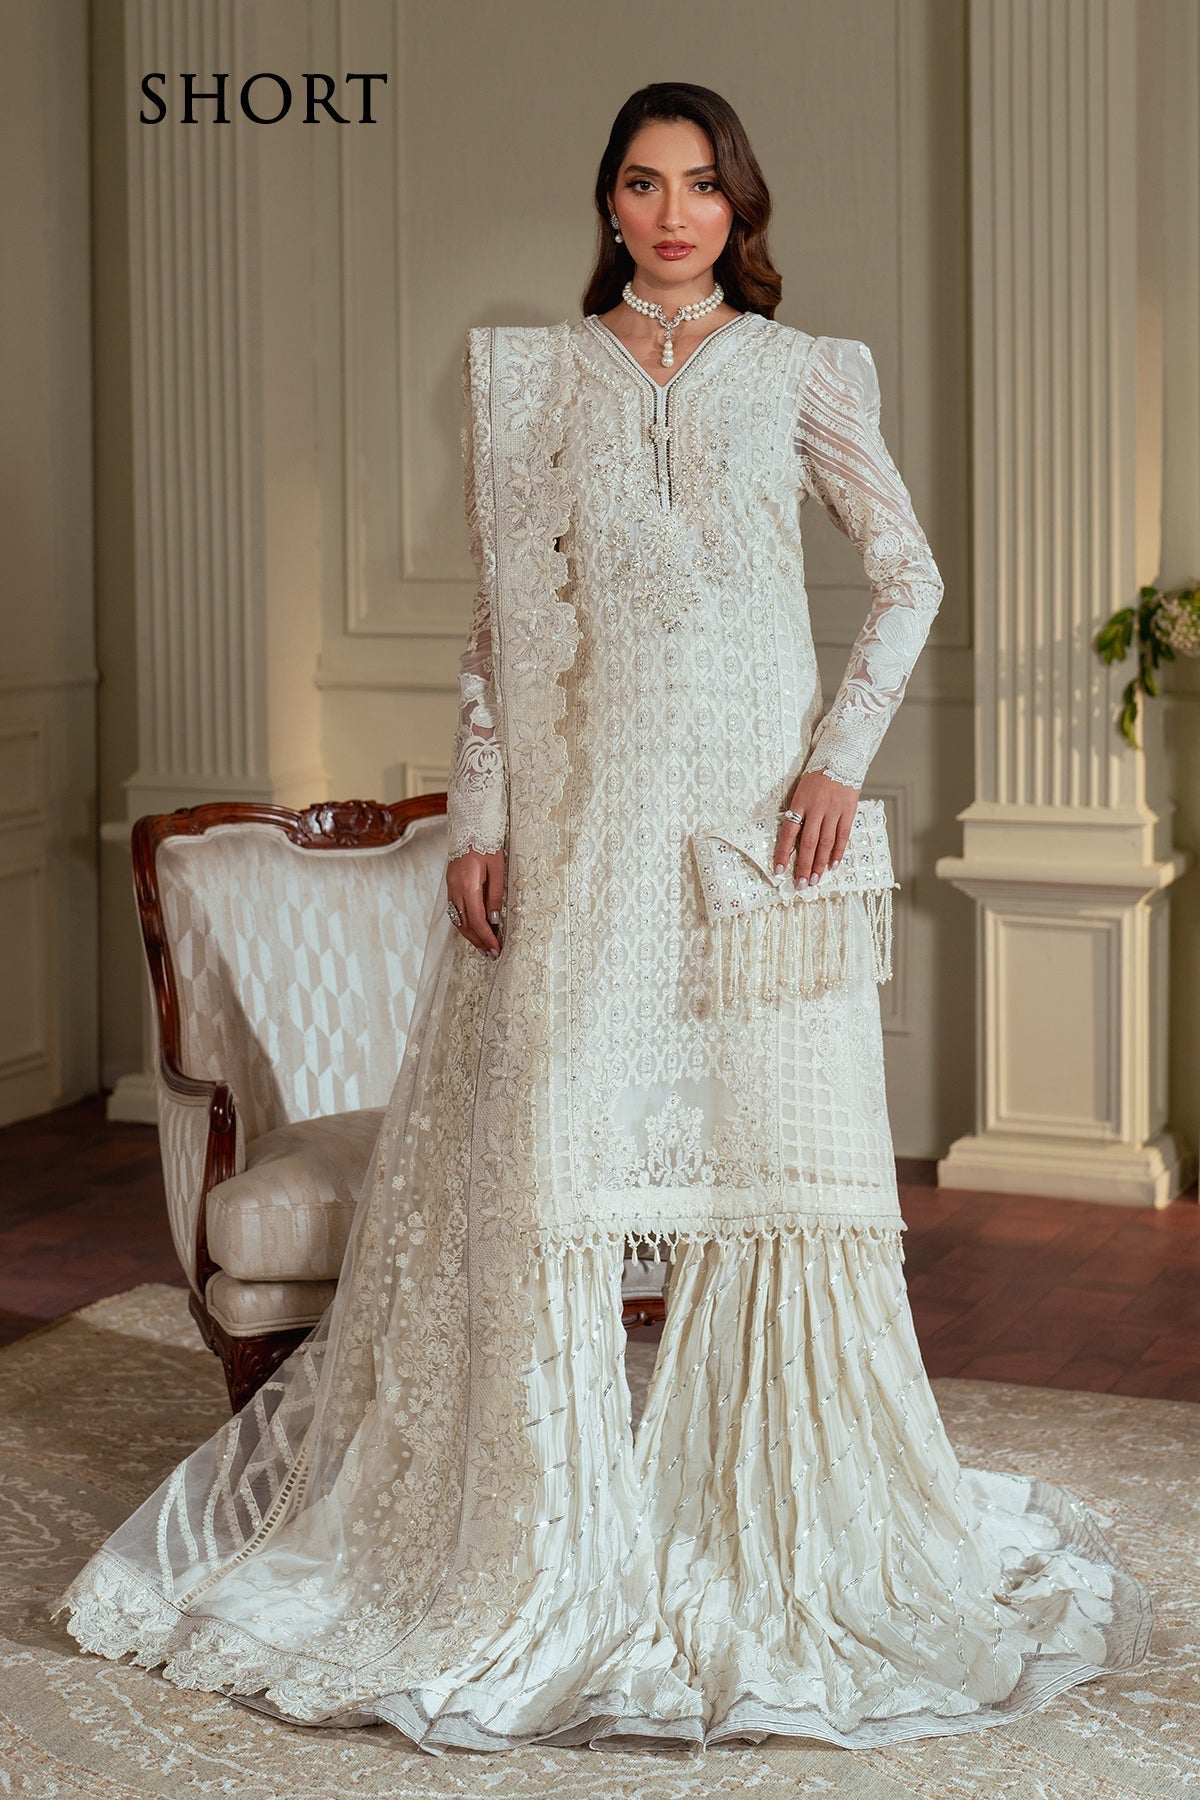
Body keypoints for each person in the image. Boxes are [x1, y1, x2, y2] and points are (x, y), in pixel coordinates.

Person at [52, 80, 1152, 1755]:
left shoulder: (803, 373)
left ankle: (771, 1522)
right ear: (610, 202)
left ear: (739, 206)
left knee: (767, 1183)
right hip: (587, 833)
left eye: (701, 186)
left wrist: (837, 762)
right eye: (643, 184)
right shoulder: (537, 378)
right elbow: (504, 630)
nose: (672, 213)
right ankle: (546, 1548)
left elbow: (911, 572)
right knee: (554, 1178)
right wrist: (483, 821)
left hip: (755, 836)